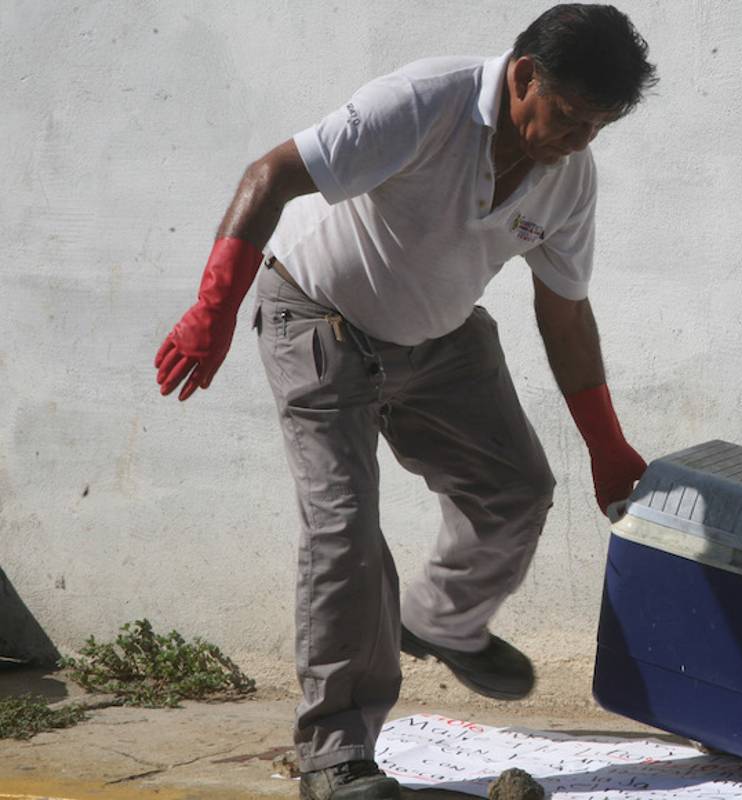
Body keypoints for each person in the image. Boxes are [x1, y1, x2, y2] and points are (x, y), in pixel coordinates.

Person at [153, 5, 656, 798]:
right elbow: (271, 175)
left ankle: (441, 621)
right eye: (569, 117)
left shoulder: (570, 178)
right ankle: (336, 759)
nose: (579, 140)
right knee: (344, 536)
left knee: (518, 490)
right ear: (526, 76)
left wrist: (605, 441)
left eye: (598, 126)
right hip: (319, 320)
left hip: (440, 341)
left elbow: (564, 311)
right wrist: (214, 307)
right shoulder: (427, 102)